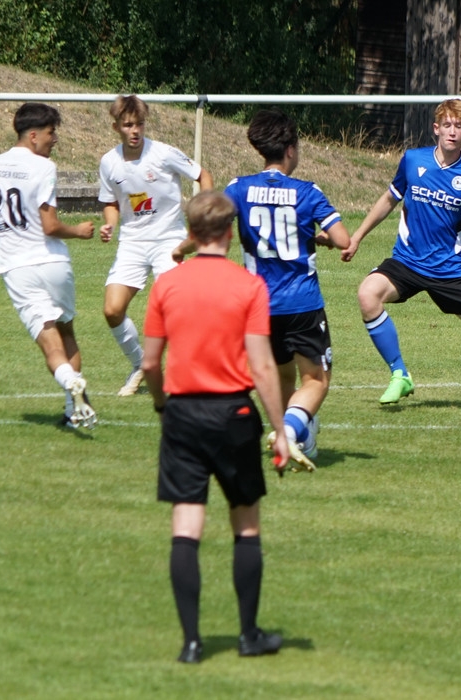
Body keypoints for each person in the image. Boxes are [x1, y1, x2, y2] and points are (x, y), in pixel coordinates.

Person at [142, 190, 290, 664]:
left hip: (182, 415)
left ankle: (191, 642)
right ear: (230, 232)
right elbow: (262, 366)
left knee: (186, 527)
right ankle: (248, 636)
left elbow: (149, 363)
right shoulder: (249, 286)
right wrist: (280, 429)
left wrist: (163, 405)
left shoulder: (167, 285)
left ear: (191, 233)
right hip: (233, 415)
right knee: (245, 524)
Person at [341, 98, 461, 412]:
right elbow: (389, 199)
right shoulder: (413, 160)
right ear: (436, 128)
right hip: (406, 262)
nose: (452, 132)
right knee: (367, 294)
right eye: (447, 125)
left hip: (449, 271)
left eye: (459, 126)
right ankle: (400, 374)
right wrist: (357, 236)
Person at [225, 109, 351, 471]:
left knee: (282, 375)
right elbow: (343, 239)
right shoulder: (307, 192)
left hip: (258, 304)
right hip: (301, 302)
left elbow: (213, 220)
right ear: (291, 150)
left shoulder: (238, 188)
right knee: (317, 380)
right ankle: (290, 432)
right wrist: (322, 238)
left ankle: (293, 435)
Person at [0, 102, 98, 429]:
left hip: (18, 267)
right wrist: (79, 231)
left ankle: (69, 382)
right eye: (50, 133)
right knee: (66, 331)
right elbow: (50, 226)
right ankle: (73, 411)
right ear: (33, 136)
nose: (54, 139)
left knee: (49, 344)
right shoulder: (44, 167)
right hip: (53, 263)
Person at [98, 95, 213, 396]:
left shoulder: (163, 153)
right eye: (128, 125)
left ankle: (192, 373)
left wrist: (203, 213)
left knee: (177, 309)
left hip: (169, 240)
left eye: (139, 124)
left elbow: (203, 175)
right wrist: (110, 223)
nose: (135, 130)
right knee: (112, 310)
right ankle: (141, 365)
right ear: (116, 127)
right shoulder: (109, 163)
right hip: (132, 243)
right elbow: (111, 202)